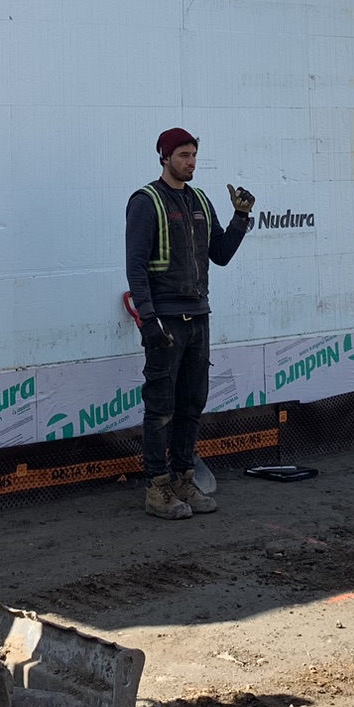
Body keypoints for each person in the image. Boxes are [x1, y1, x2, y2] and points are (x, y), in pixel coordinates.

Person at [124, 127, 254, 520]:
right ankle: (157, 488)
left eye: (194, 154)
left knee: (192, 404)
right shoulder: (146, 201)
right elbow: (135, 266)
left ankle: (183, 479)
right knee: (160, 407)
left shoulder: (199, 200)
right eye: (183, 154)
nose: (191, 161)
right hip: (166, 321)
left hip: (198, 317)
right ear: (164, 157)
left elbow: (221, 255)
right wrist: (148, 320)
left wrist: (241, 217)